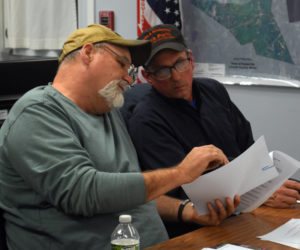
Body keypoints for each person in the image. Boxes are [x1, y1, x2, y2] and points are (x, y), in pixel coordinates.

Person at [0, 24, 233, 250]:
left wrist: (185, 210)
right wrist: (180, 173)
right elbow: (83, 193)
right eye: (122, 64)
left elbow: (129, 192)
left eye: (130, 71)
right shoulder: (37, 112)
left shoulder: (108, 110)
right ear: (88, 53)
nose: (129, 79)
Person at [125, 24, 300, 238]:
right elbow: (184, 189)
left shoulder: (212, 90)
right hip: (199, 227)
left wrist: (268, 182)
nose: (176, 77)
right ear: (147, 76)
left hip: (248, 212)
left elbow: (249, 149)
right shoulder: (146, 119)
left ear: (191, 59)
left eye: (180, 63)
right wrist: (258, 190)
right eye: (162, 71)